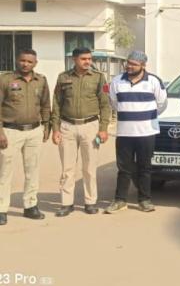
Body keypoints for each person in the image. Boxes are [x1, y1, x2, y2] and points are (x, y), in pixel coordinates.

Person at [105, 52, 168, 214]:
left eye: (134, 64)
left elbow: (161, 104)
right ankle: (120, 200)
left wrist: (146, 117)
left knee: (144, 167)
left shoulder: (153, 81)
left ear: (143, 65)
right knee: (123, 168)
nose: (129, 66)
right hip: (124, 133)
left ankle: (144, 200)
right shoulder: (117, 81)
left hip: (147, 132)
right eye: (128, 63)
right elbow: (114, 103)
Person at [51, 47, 111, 217]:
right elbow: (56, 103)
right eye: (83, 59)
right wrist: (55, 128)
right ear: (74, 59)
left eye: (89, 59)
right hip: (67, 126)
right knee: (67, 168)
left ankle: (90, 202)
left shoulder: (99, 77)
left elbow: (105, 104)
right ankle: (66, 203)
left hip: (90, 126)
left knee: (89, 168)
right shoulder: (63, 77)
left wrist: (103, 129)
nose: (87, 62)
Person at [0, 49, 50, 225]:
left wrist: (47, 126)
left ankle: (30, 206)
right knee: (5, 171)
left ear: (35, 63)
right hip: (10, 131)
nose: (25, 64)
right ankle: (2, 209)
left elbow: (45, 105)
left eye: (29, 61)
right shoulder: (5, 79)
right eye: (22, 60)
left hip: (34, 131)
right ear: (17, 60)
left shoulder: (41, 80)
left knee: (32, 170)